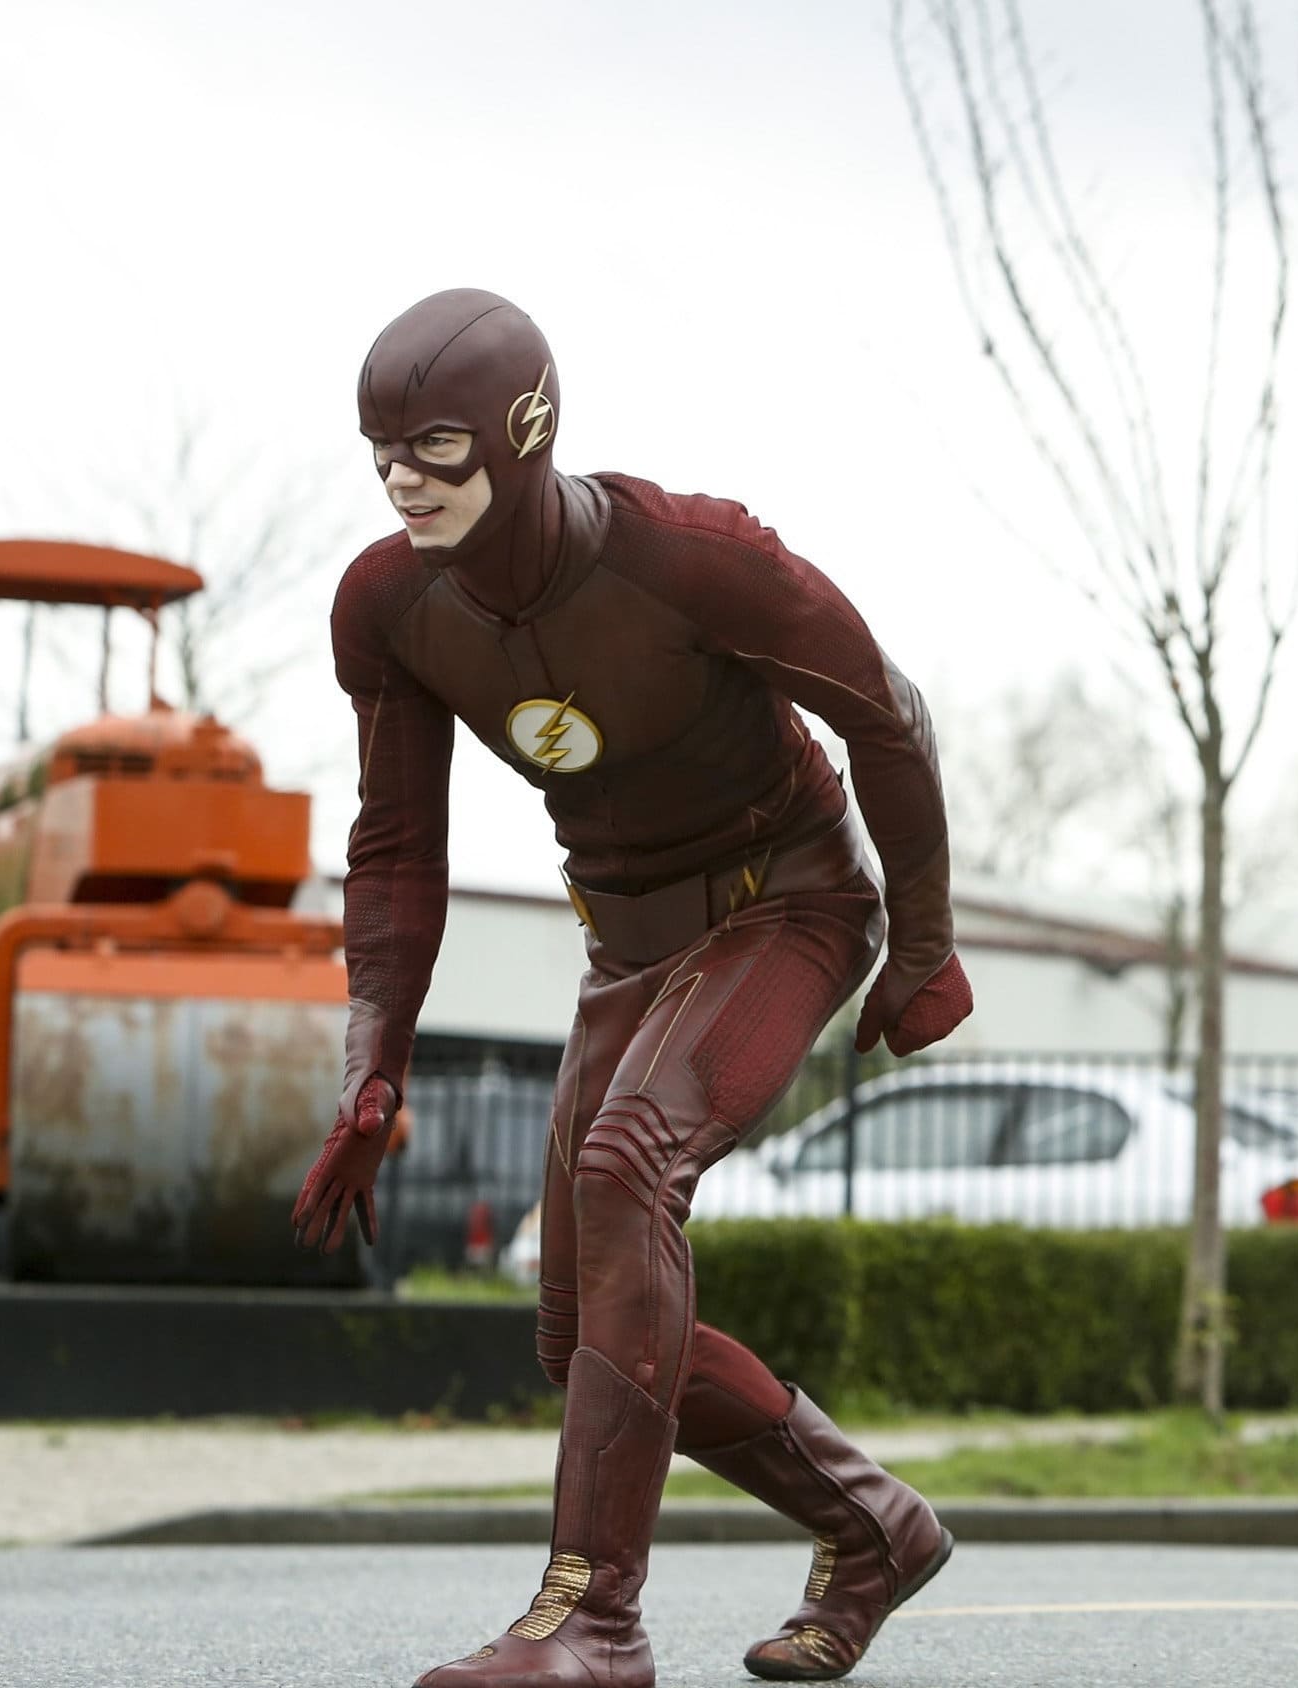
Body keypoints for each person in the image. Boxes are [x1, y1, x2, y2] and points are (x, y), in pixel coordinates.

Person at [290, 288, 970, 1688]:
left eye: (435, 448)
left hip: (789, 900)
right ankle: (874, 1528)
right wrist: (374, 1062)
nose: (402, 481)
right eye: (382, 454)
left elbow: (886, 713)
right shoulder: (390, 604)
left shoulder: (693, 557)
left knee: (627, 1165)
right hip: (629, 946)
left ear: (526, 430)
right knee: (579, 1329)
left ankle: (592, 1619)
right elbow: (397, 848)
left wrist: (923, 943)